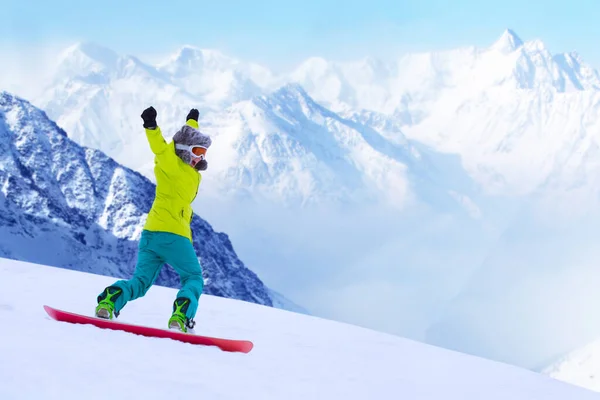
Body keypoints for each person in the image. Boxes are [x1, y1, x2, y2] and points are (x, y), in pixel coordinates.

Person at [94, 106, 212, 333]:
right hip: (174, 236)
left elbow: (183, 138)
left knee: (140, 282)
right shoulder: (174, 164)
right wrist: (151, 126)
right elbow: (161, 148)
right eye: (197, 151)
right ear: (186, 150)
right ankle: (181, 316)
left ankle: (109, 301)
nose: (200, 157)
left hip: (150, 235)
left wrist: (191, 121)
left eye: (203, 153)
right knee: (193, 277)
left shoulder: (181, 163)